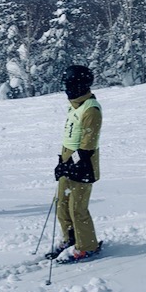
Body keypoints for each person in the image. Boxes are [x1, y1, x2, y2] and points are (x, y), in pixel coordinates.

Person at [48, 65, 103, 261]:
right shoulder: (75, 106)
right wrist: (62, 162)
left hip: (83, 165)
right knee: (61, 205)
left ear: (80, 85)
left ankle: (87, 246)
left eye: (70, 84)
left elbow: (87, 146)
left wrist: (70, 164)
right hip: (68, 161)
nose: (67, 89)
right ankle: (70, 239)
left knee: (77, 208)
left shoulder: (91, 109)